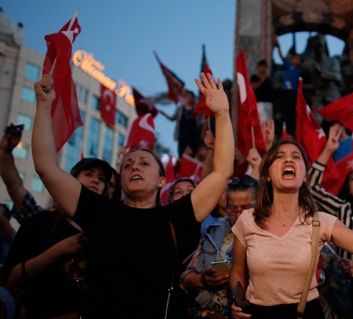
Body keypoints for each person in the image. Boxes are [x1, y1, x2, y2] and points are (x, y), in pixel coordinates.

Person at [31, 72, 234, 318]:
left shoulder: (177, 217)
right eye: (128, 165)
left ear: (162, 180)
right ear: (121, 178)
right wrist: (43, 105)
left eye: (144, 163)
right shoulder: (100, 212)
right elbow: (46, 167)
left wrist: (222, 115)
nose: (135, 167)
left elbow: (222, 172)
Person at [228, 139, 353, 319]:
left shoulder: (320, 222)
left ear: (304, 177)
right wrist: (238, 300)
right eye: (280, 156)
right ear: (268, 175)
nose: (289, 160)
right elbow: (237, 271)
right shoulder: (247, 219)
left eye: (296, 157)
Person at [3, 157, 112, 319]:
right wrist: (59, 250)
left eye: (101, 179)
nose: (96, 180)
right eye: (89, 174)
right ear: (70, 181)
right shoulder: (40, 223)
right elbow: (12, 278)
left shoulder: (106, 233)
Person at [308, 124, 353, 318]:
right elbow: (311, 187)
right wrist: (328, 150)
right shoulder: (341, 207)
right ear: (347, 187)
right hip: (346, 290)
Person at [181, 176, 258, 319]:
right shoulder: (213, 231)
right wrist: (202, 280)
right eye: (233, 209)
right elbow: (185, 278)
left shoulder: (269, 234)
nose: (239, 215)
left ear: (259, 205)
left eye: (246, 208)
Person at [160, 89, 204, 157]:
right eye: (186, 96)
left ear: (193, 98)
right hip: (182, 136)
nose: (187, 98)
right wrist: (163, 113)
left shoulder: (197, 108)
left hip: (193, 137)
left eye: (189, 96)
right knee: (181, 154)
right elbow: (172, 118)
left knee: (191, 154)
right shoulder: (180, 109)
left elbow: (201, 122)